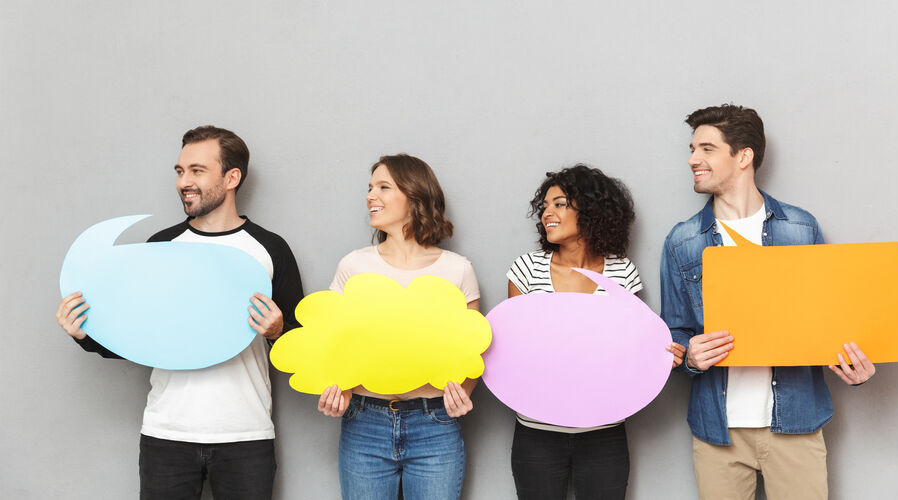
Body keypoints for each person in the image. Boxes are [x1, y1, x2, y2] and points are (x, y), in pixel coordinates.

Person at [54, 126, 304, 499]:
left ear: (232, 177)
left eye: (197, 171)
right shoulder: (161, 246)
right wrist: (85, 335)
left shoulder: (270, 249)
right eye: (179, 171)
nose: (183, 182)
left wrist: (277, 330)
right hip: (166, 436)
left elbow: (299, 348)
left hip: (246, 436)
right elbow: (136, 337)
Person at [659, 104, 876, 500]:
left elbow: (829, 320)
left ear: (743, 156)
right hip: (717, 431)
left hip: (796, 423)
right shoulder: (682, 240)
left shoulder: (801, 228)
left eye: (706, 149)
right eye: (692, 149)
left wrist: (856, 363)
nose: (693, 159)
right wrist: (688, 356)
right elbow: (673, 332)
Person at [505, 164, 685, 500]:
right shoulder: (527, 268)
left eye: (559, 204)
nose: (548, 213)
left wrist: (662, 355)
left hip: (604, 433)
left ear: (590, 211)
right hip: (536, 433)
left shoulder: (622, 271)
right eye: (544, 206)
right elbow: (516, 352)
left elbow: (629, 351)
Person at [316, 154, 479, 500]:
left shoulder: (457, 269)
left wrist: (463, 393)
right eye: (370, 187)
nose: (370, 196)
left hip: (435, 424)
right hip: (364, 423)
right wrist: (337, 390)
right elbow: (332, 342)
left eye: (383, 187)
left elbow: (472, 349)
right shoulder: (354, 265)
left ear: (415, 195)